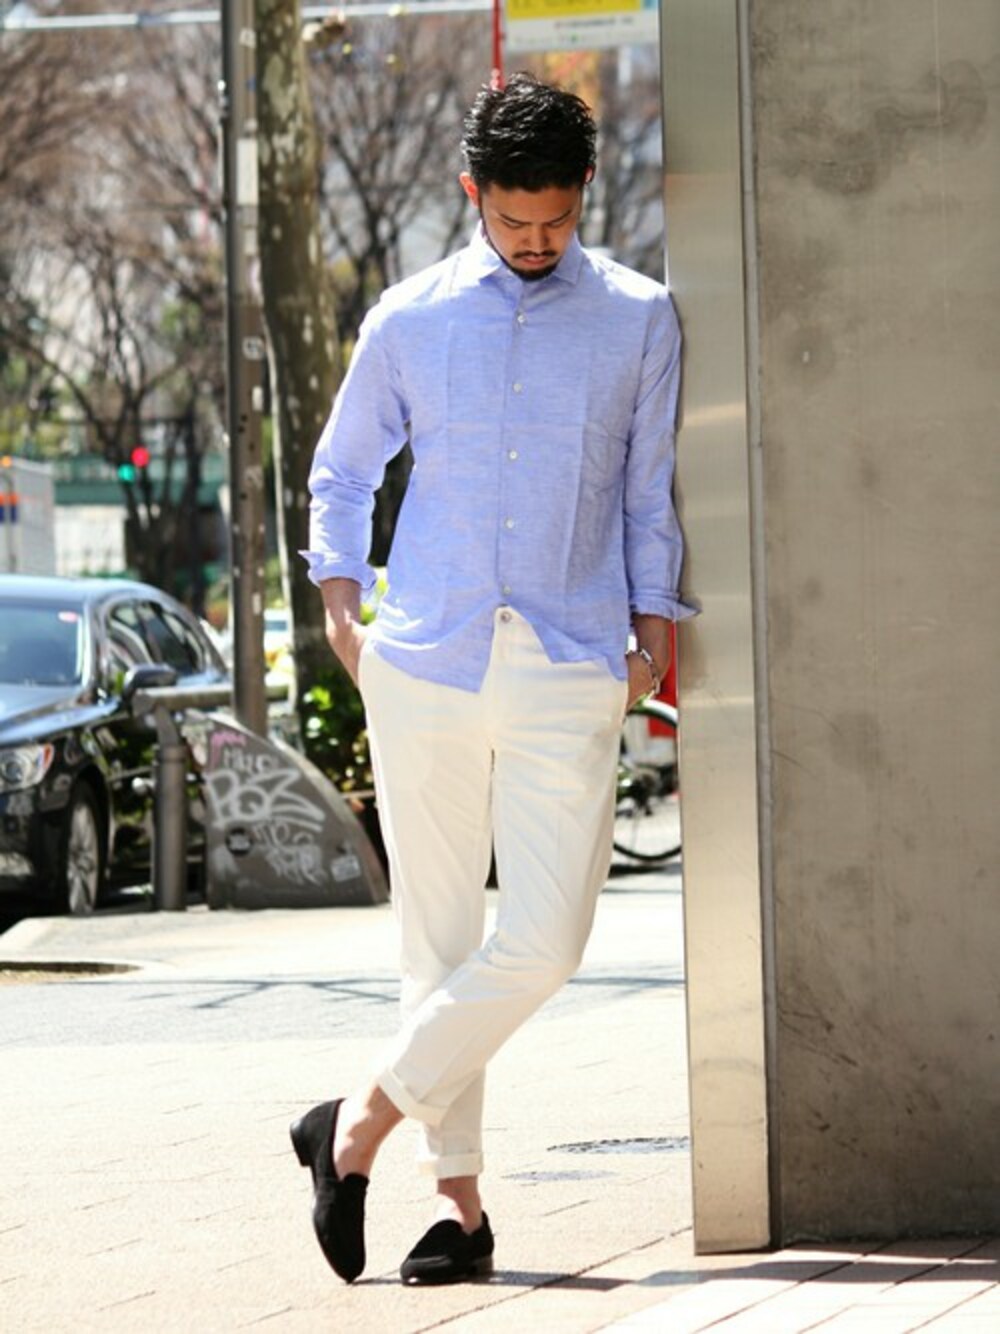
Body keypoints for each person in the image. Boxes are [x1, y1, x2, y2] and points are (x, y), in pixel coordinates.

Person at [294, 72, 696, 1286]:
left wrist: (647, 637)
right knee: (439, 938)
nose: (535, 241)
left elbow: (645, 491)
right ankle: (458, 1210)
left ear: (585, 193)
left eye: (556, 220)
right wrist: (342, 613)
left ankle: (352, 1124)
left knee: (548, 935)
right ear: (473, 192)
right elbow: (342, 472)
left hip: (571, 656)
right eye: (513, 219)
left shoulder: (638, 318)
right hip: (423, 655)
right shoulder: (408, 318)